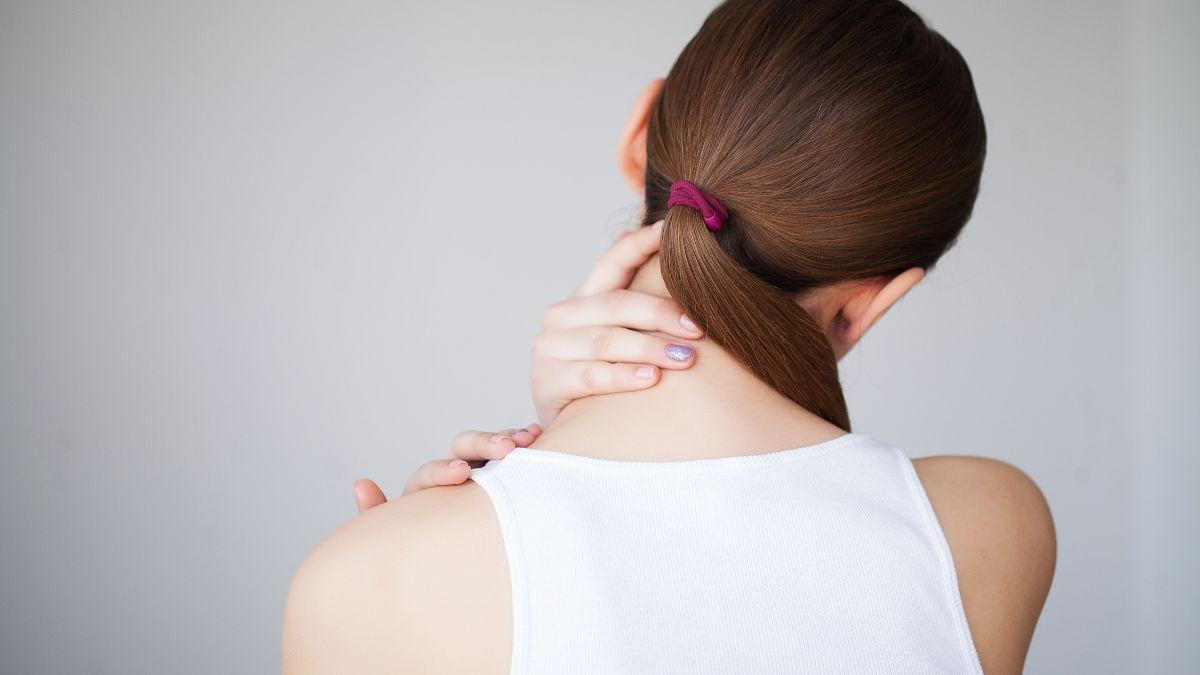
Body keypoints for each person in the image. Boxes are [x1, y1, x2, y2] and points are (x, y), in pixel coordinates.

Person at [283, 1, 1056, 673]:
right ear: (878, 299)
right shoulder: (989, 524)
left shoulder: (371, 579)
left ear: (639, 135)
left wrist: (397, 577)